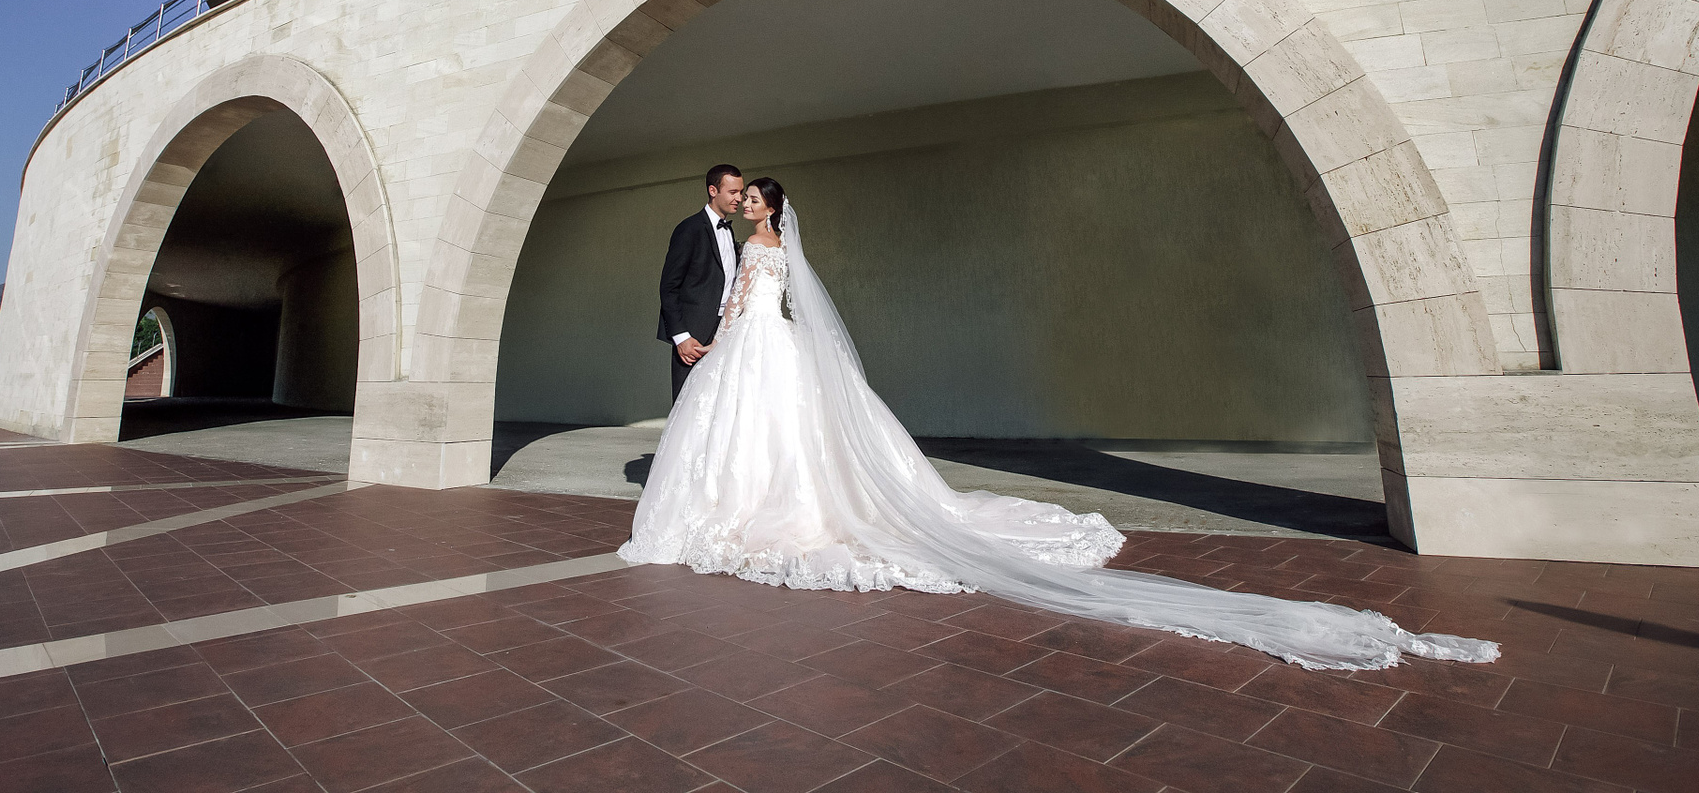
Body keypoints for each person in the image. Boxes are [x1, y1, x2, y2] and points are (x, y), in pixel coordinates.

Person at [621, 179, 1500, 672]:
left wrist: (712, 343)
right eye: (739, 196)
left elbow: (742, 306)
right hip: (767, 346)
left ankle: (744, 509)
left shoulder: (760, 250)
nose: (744, 204)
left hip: (751, 348)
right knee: (788, 436)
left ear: (766, 209)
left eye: (751, 198)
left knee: (756, 437)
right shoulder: (773, 247)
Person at [656, 164, 744, 400]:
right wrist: (681, 337)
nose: (739, 198)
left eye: (741, 192)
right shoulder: (689, 229)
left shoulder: (729, 231)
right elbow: (669, 287)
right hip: (693, 337)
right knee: (688, 405)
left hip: (726, 332)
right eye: (733, 192)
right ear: (713, 191)